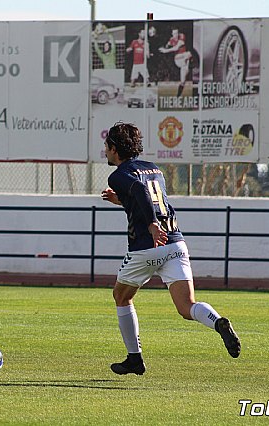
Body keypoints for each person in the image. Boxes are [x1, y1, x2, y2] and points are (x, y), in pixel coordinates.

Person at [101, 122, 241, 375]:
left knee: (122, 296)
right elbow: (147, 197)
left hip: (147, 246)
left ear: (114, 148)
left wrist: (152, 224)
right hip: (175, 242)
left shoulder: (118, 175)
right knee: (187, 306)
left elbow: (141, 192)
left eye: (107, 147)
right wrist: (120, 200)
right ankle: (218, 322)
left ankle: (135, 358)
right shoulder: (154, 169)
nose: (106, 152)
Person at [158, 28, 193, 97]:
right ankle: (193, 64)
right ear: (172, 34)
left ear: (178, 33)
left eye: (176, 33)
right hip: (178, 58)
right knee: (189, 53)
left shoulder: (182, 37)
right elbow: (167, 45)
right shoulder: (171, 40)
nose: (175, 35)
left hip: (183, 60)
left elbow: (176, 48)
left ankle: (178, 95)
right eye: (174, 34)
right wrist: (164, 47)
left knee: (183, 81)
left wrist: (165, 50)